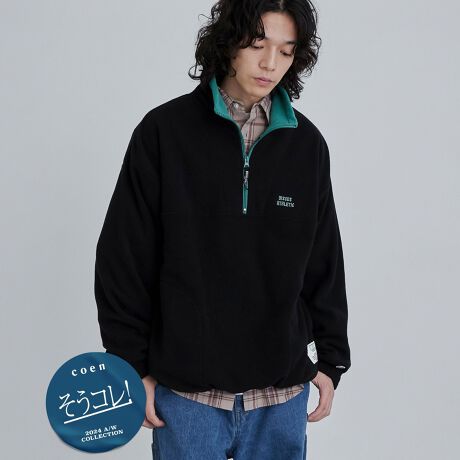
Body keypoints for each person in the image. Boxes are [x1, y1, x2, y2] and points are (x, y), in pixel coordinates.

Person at [94, 1, 351, 458]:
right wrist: (131, 366)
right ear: (228, 42)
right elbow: (124, 259)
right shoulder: (164, 133)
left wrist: (332, 360)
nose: (270, 63)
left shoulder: (307, 146)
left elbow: (324, 260)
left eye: (286, 51)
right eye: (257, 45)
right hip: (186, 398)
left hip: (281, 398)